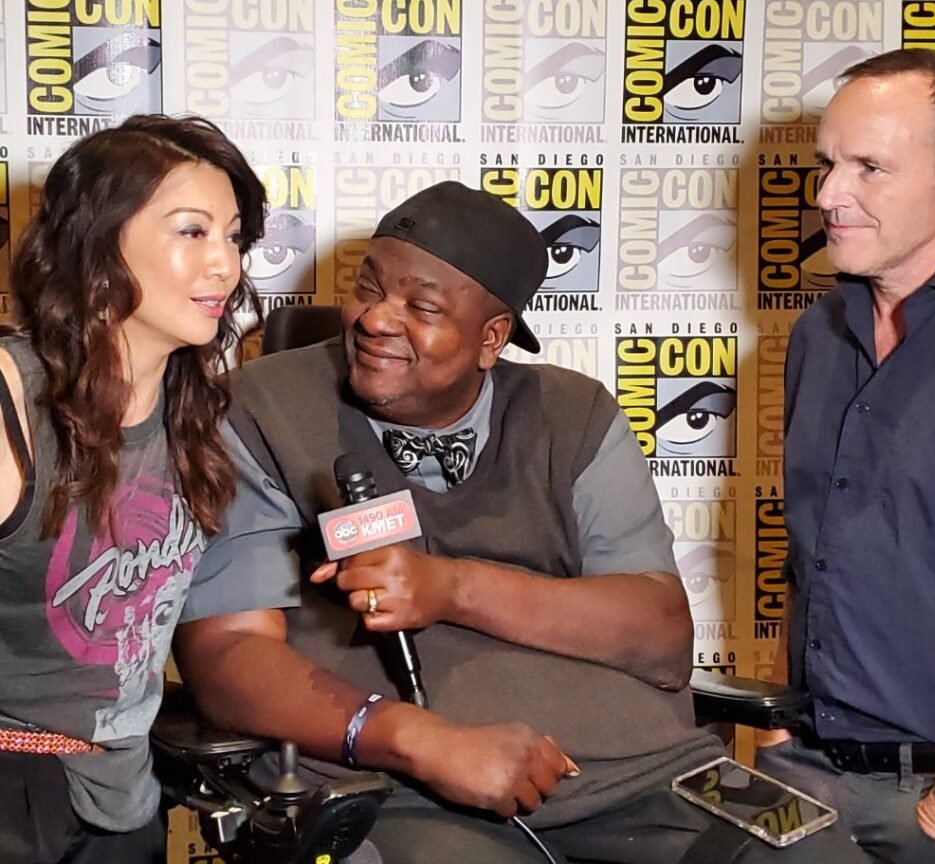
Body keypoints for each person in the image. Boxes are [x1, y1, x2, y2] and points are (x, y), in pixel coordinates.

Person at [174, 181, 870, 863]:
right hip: (406, 787)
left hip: (647, 771)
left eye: (421, 306)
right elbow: (228, 656)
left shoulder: (576, 414)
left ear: (491, 338)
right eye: (368, 286)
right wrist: (418, 739)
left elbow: (659, 635)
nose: (376, 318)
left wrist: (448, 587)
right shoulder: (261, 410)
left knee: (821, 854)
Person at [755, 48, 935, 863]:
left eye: (870, 168)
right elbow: (814, 562)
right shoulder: (816, 336)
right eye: (828, 164)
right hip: (806, 782)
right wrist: (774, 740)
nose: (829, 195)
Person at [0, 116, 267, 864]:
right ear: (97, 241)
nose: (224, 265)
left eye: (235, 236)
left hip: (126, 800)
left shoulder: (202, 416)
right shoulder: (12, 405)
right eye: (192, 232)